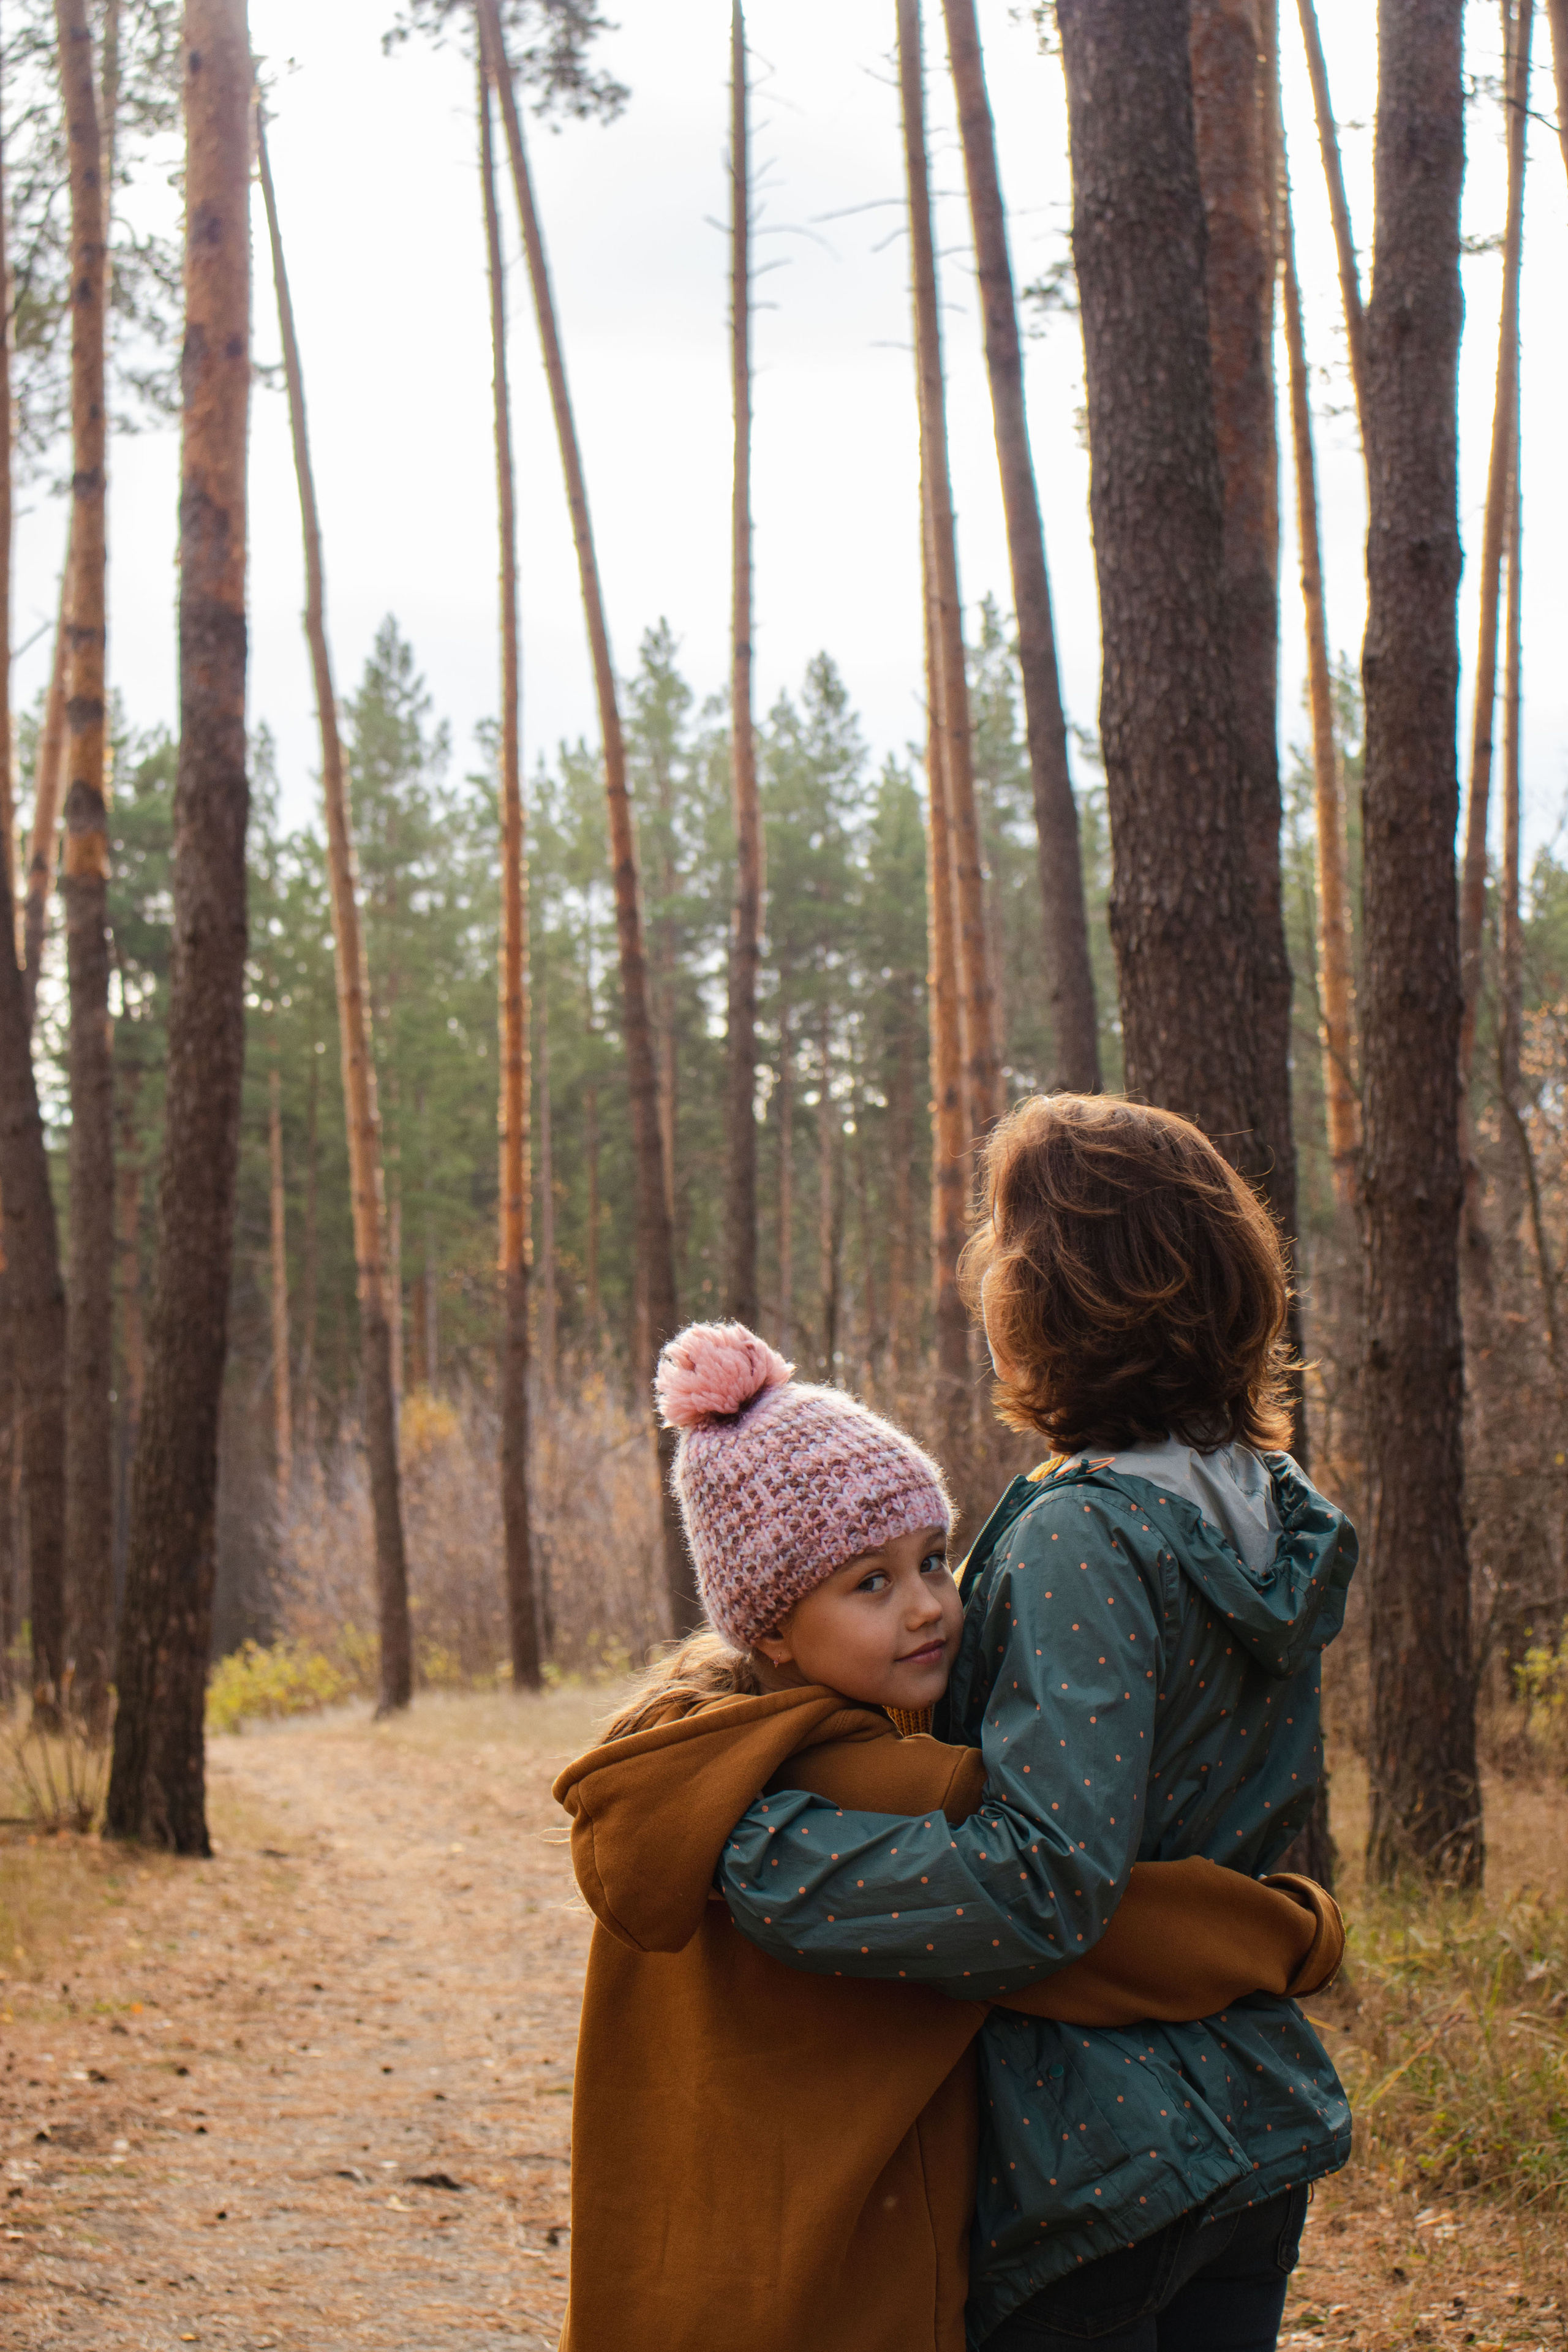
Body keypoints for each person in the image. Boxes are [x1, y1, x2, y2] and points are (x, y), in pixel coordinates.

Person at [556, 1317, 1345, 2352]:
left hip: (704, 2272)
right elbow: (1087, 1929)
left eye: (934, 1560)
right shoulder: (887, 1783)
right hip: (847, 2272)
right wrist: (1290, 1929)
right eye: (870, 1583)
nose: (928, 1606)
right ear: (774, 1627)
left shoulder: (689, 1762)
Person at [718, 1095, 1359, 2352]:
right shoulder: (1259, 1507)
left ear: (1049, 1295)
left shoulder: (1083, 1529)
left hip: (1099, 2156)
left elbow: (1046, 1880)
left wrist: (768, 1864)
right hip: (1253, 2114)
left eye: (1002, 1247)